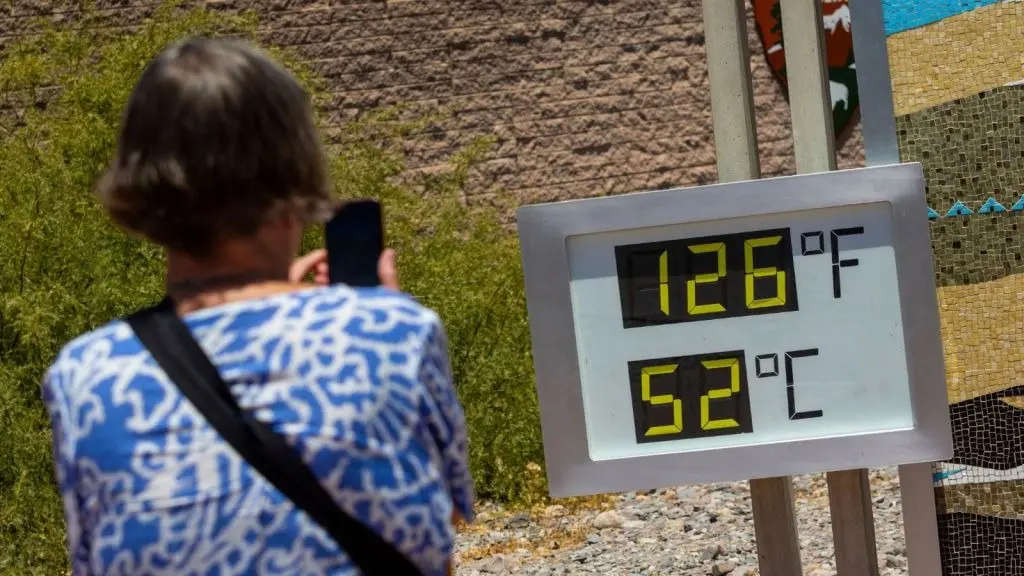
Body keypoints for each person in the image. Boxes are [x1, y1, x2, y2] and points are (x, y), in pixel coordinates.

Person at [40, 37, 473, 575]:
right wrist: (374, 320)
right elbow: (437, 527)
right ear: (294, 168)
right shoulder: (392, 332)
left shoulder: (85, 375)